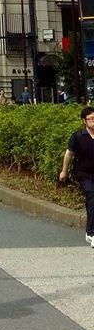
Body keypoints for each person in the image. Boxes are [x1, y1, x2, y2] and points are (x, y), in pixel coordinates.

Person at [60, 105, 94, 245]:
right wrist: (64, 171)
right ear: (84, 121)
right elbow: (69, 154)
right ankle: (91, 233)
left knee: (92, 202)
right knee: (92, 197)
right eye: (91, 119)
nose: (93, 121)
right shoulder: (78, 136)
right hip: (84, 174)